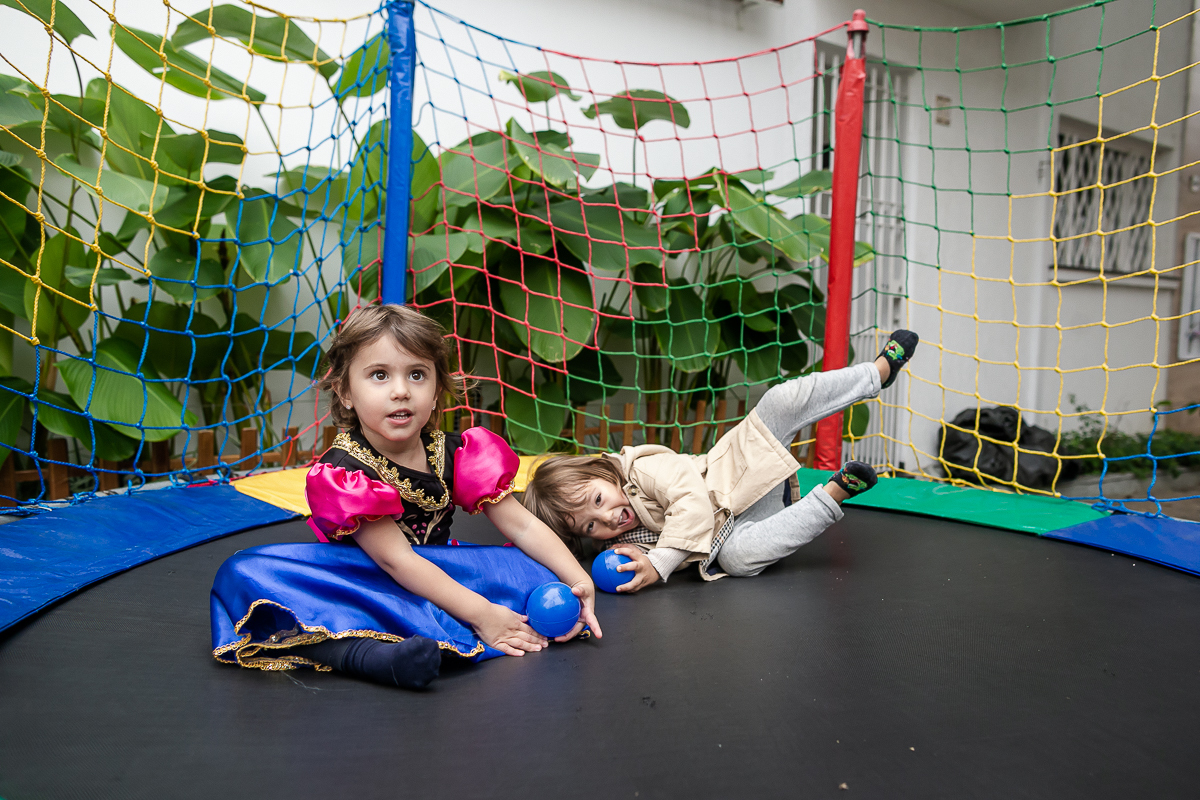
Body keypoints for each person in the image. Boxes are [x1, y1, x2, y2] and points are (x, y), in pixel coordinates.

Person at [210, 305, 600, 689]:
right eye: (379, 375)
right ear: (346, 392)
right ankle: (369, 658)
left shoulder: (459, 452)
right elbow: (396, 561)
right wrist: (483, 613)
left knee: (531, 567)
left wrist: (580, 581)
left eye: (417, 375)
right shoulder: (344, 472)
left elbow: (523, 524)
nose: (400, 391)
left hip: (438, 576)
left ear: (435, 392)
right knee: (244, 571)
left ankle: (440, 639)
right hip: (362, 584)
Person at [521, 331, 920, 591]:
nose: (606, 518)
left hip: (737, 472)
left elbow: (691, 503)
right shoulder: (615, 544)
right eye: (590, 524)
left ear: (600, 472)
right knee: (737, 560)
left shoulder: (639, 469)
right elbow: (568, 551)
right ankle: (833, 495)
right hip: (735, 531)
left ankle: (876, 373)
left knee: (781, 401)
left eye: (596, 500)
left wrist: (658, 563)